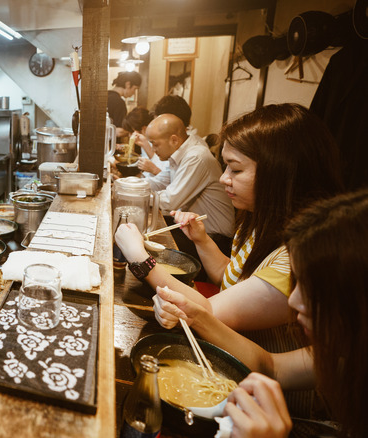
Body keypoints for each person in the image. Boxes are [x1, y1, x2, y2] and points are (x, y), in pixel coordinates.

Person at [151, 189, 368, 437]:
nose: (294, 301)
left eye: (314, 290)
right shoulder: (344, 351)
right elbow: (272, 367)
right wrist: (196, 317)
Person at [116, 103, 344, 338]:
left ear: (280, 172)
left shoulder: (295, 257)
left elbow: (208, 312)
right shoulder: (256, 221)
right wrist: (202, 240)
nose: (224, 178)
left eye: (235, 170)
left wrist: (139, 257)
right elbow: (231, 276)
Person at [143, 113, 235, 254]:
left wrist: (135, 196)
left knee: (146, 243)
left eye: (155, 144)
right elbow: (158, 182)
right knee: (144, 231)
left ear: (174, 140)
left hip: (216, 240)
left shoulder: (196, 157)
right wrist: (126, 186)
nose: (154, 150)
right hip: (194, 230)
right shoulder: (178, 154)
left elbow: (169, 201)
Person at [123, 106, 165, 177]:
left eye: (132, 131)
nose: (131, 136)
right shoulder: (144, 140)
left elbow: (163, 175)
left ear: (144, 129)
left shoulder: (157, 142)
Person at [107, 71, 142, 138]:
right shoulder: (119, 102)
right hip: (111, 145)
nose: (134, 93)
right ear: (128, 84)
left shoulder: (103, 96)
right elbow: (120, 131)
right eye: (135, 89)